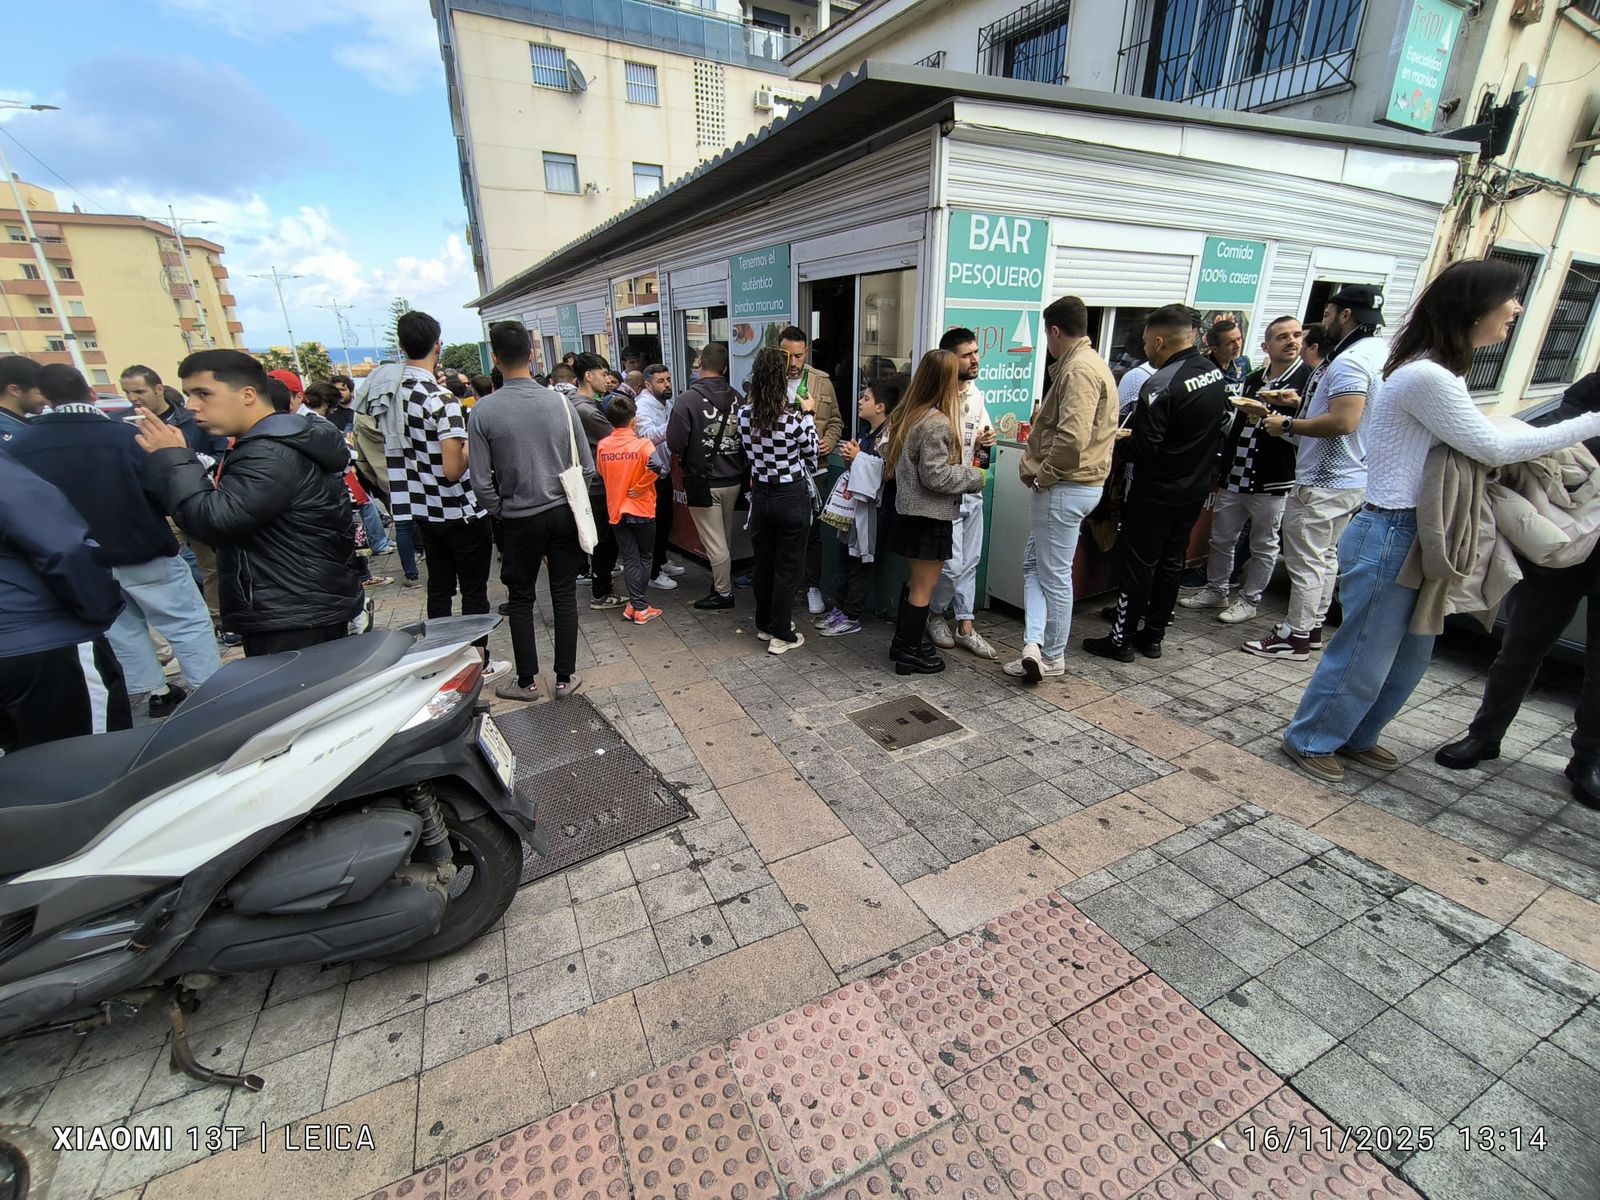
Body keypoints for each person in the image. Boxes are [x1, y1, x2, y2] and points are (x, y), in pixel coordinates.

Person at [1279, 259, 1600, 786]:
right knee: (1365, 654)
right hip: (1392, 533)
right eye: (1510, 299)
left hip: (1424, 537)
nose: (1517, 309)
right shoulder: (1426, 374)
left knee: (1409, 657)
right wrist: (1589, 423)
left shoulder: (1441, 373)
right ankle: (1311, 738)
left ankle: (1357, 736)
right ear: (1473, 308)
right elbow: (1491, 443)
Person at [10, 363, 221, 715]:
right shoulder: (127, 437)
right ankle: (212, 691)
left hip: (82, 560)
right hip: (143, 547)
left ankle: (155, 694)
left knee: (122, 630)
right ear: (91, 394)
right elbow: (162, 490)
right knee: (184, 622)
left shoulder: (20, 447)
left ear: (46, 398)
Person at [1434, 361, 1600, 801]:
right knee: (1520, 650)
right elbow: (1540, 434)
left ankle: (1588, 760)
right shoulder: (1593, 388)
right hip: (1561, 541)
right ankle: (1485, 735)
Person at [136, 349, 363, 656]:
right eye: (189, 394)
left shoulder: (268, 453)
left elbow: (214, 521)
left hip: (289, 612)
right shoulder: (279, 441)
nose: (192, 406)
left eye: (204, 394)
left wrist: (174, 458)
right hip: (297, 603)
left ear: (247, 394)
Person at [1243, 287, 1388, 661]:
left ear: (1344, 315)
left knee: (1305, 560)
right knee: (1324, 558)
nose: (1322, 322)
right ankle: (1313, 626)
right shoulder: (1377, 352)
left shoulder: (1351, 361)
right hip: (1354, 478)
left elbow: (1344, 420)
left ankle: (1295, 637)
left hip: (1326, 479)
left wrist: (1288, 424)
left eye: (1327, 313)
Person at [1083, 304, 1229, 663]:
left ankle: (1121, 640)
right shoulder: (1213, 372)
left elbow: (1146, 448)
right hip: (1193, 489)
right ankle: (1153, 637)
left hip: (1155, 492)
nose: (1145, 348)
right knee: (1171, 562)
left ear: (1160, 341)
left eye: (1147, 341)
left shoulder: (1161, 382)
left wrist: (1122, 441)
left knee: (1139, 565)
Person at [469, 322, 590, 701]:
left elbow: (479, 480)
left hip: (518, 517)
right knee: (563, 594)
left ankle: (526, 682)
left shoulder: (483, 411)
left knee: (520, 598)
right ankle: (565, 679)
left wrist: (500, 509)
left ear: (495, 357)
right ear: (533, 353)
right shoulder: (560, 402)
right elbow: (586, 464)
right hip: (562, 512)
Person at [1007, 297, 1118, 682]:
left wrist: (1044, 476)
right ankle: (1034, 646)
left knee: (1053, 575)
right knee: (1036, 566)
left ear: (1055, 330)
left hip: (1065, 486)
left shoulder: (1079, 371)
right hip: (1073, 485)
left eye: (1047, 334)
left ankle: (1051, 654)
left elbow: (1071, 437)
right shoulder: (1091, 364)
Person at [1181, 316, 1310, 625]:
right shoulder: (1253, 378)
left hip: (1273, 478)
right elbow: (1237, 424)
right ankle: (1216, 589)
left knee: (1263, 544)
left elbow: (1308, 434)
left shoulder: (1307, 381)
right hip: (1235, 472)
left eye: (1295, 335)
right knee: (1222, 538)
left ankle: (1249, 600)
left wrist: (1272, 414)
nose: (1291, 341)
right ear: (1267, 345)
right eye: (1282, 336)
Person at [391, 313, 501, 670]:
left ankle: (438, 658)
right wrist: (473, 444)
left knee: (438, 589)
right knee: (473, 592)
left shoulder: (391, 398)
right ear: (438, 345)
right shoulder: (441, 399)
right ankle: (475, 662)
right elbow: (453, 470)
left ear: (402, 345)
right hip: (460, 511)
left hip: (421, 509)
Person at [0, 451, 131, 751]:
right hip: (43, 644)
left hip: (27, 640)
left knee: (23, 772)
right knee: (92, 763)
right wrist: (100, 608)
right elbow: (64, 548)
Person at [883, 350, 987, 675]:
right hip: (929, 518)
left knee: (915, 582)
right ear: (944, 381)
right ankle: (910, 652)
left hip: (910, 515)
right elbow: (936, 475)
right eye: (956, 377)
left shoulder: (910, 415)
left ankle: (903, 642)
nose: (961, 384)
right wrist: (976, 477)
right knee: (923, 587)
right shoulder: (937, 422)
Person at [925, 327, 999, 661]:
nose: (975, 359)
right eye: (967, 354)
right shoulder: (936, 398)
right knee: (952, 566)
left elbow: (982, 433)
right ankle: (935, 614)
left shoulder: (976, 394)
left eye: (976, 353)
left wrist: (988, 441)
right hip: (945, 492)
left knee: (971, 562)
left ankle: (966, 626)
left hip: (972, 486)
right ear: (949, 359)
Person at [741, 347, 817, 654]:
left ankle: (764, 624)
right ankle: (781, 633)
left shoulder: (744, 414)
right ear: (782, 376)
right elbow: (813, 453)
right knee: (788, 566)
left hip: (760, 494)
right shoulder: (792, 419)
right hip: (790, 495)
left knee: (764, 563)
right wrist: (809, 413)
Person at [818, 378, 900, 637]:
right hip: (855, 510)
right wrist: (852, 460)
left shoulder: (891, 436)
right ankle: (841, 608)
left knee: (861, 563)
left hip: (875, 514)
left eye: (866, 398)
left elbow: (888, 472)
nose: (860, 401)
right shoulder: (867, 433)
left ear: (881, 407)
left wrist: (859, 459)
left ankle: (852, 615)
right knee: (845, 559)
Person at [668, 343, 746, 610]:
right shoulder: (739, 397)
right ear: (725, 368)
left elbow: (675, 443)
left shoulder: (687, 400)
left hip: (703, 480)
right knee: (723, 535)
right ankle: (720, 583)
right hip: (734, 478)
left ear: (700, 364)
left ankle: (723, 593)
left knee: (714, 542)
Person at [778, 326, 842, 615]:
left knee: (813, 531)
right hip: (782, 470)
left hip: (816, 470)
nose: (793, 363)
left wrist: (827, 442)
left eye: (798, 356)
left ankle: (812, 586)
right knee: (784, 530)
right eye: (787, 356)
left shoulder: (822, 382)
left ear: (806, 353)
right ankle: (785, 585)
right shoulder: (768, 381)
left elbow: (836, 422)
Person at [596, 394, 666, 625]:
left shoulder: (604, 446)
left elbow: (601, 473)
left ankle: (635, 605)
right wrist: (640, 485)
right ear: (633, 421)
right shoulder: (642, 444)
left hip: (616, 509)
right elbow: (657, 467)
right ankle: (640, 606)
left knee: (629, 558)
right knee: (645, 557)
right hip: (642, 508)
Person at [571, 352, 623, 609]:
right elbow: (617, 438)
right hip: (598, 486)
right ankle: (601, 592)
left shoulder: (575, 403)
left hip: (591, 483)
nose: (608, 379)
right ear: (588, 376)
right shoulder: (586, 410)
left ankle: (600, 583)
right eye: (603, 374)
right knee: (605, 539)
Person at [636, 363, 686, 591]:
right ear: (648, 384)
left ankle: (662, 560)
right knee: (656, 523)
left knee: (666, 520)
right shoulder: (643, 406)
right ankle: (653, 572)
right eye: (660, 381)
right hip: (650, 474)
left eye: (668, 379)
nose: (667, 385)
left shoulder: (665, 402)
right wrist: (674, 425)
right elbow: (645, 436)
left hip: (665, 470)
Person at [121, 365, 211, 455]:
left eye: (139, 392)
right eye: (127, 392)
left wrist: (195, 460)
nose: (132, 398)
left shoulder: (195, 419)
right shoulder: (119, 422)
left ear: (159, 389)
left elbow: (221, 456)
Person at [0, 355, 45, 444]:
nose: (46, 399)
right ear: (14, 390)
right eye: (41, 393)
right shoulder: (11, 434)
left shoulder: (15, 424)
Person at [1206, 319, 1249, 397]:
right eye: (1230, 343)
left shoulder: (1244, 362)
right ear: (1214, 349)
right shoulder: (1203, 367)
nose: (1238, 345)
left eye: (1239, 339)